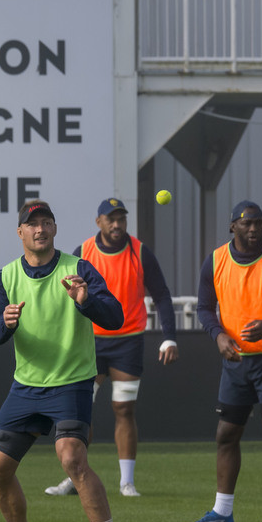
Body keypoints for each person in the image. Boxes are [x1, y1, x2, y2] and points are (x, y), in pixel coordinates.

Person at [0, 200, 128, 522]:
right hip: (26, 387)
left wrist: (85, 300)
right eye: (32, 225)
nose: (40, 229)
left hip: (71, 382)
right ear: (21, 233)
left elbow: (115, 316)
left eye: (46, 223)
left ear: (55, 230)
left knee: (72, 458)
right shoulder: (5, 277)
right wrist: (6, 323)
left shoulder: (77, 269)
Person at [183, 201, 262, 522]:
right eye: (247, 223)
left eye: (258, 223)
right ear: (232, 227)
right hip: (236, 360)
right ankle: (222, 511)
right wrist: (219, 336)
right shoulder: (216, 260)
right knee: (226, 434)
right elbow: (205, 308)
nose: (253, 229)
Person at [45, 197, 179, 498]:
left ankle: (126, 481)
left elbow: (162, 295)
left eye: (121, 219)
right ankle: (74, 478)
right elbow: (64, 295)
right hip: (88, 341)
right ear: (99, 222)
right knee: (79, 411)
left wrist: (169, 336)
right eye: (111, 219)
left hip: (127, 340)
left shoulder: (140, 252)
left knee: (124, 408)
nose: (117, 224)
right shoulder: (84, 252)